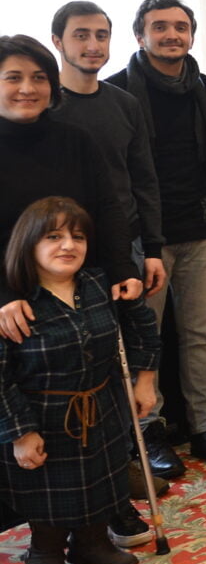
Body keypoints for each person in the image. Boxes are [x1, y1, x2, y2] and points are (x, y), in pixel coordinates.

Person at [50, 0, 172, 548]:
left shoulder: (124, 103)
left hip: (122, 251)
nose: (93, 45)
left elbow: (143, 179)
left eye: (101, 35)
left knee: (125, 364)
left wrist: (152, 249)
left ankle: (122, 473)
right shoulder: (45, 106)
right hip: (61, 254)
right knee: (81, 373)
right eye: (81, 35)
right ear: (58, 42)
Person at [109, 0, 206, 475]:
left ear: (191, 35)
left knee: (201, 335)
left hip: (201, 230)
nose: (172, 35)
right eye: (160, 26)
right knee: (145, 341)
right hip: (144, 240)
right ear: (140, 35)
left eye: (180, 27)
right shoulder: (117, 92)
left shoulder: (203, 89)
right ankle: (150, 432)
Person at [0, 197, 159, 564]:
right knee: (49, 487)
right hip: (41, 414)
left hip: (101, 403)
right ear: (28, 243)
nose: (68, 245)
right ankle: (45, 552)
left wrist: (145, 381)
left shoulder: (98, 284)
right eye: (53, 237)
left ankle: (91, 542)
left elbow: (142, 325)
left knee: (101, 475)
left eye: (78, 236)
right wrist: (21, 433)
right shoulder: (15, 304)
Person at [0, 35, 140, 340]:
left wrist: (122, 267)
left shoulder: (76, 140)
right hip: (12, 302)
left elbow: (107, 208)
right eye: (13, 78)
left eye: (39, 78)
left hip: (81, 291)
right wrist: (4, 295)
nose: (28, 88)